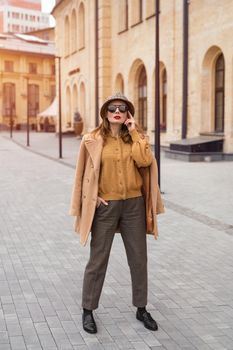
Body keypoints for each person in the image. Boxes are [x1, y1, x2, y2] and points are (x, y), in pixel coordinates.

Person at [69, 92, 164, 334]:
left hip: (134, 204)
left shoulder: (137, 138)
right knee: (98, 259)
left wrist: (133, 131)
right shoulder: (91, 139)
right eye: (113, 108)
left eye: (122, 108)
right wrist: (90, 199)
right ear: (105, 113)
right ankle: (88, 310)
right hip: (105, 206)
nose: (117, 112)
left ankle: (141, 308)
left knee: (138, 259)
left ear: (128, 113)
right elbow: (80, 176)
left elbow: (145, 161)